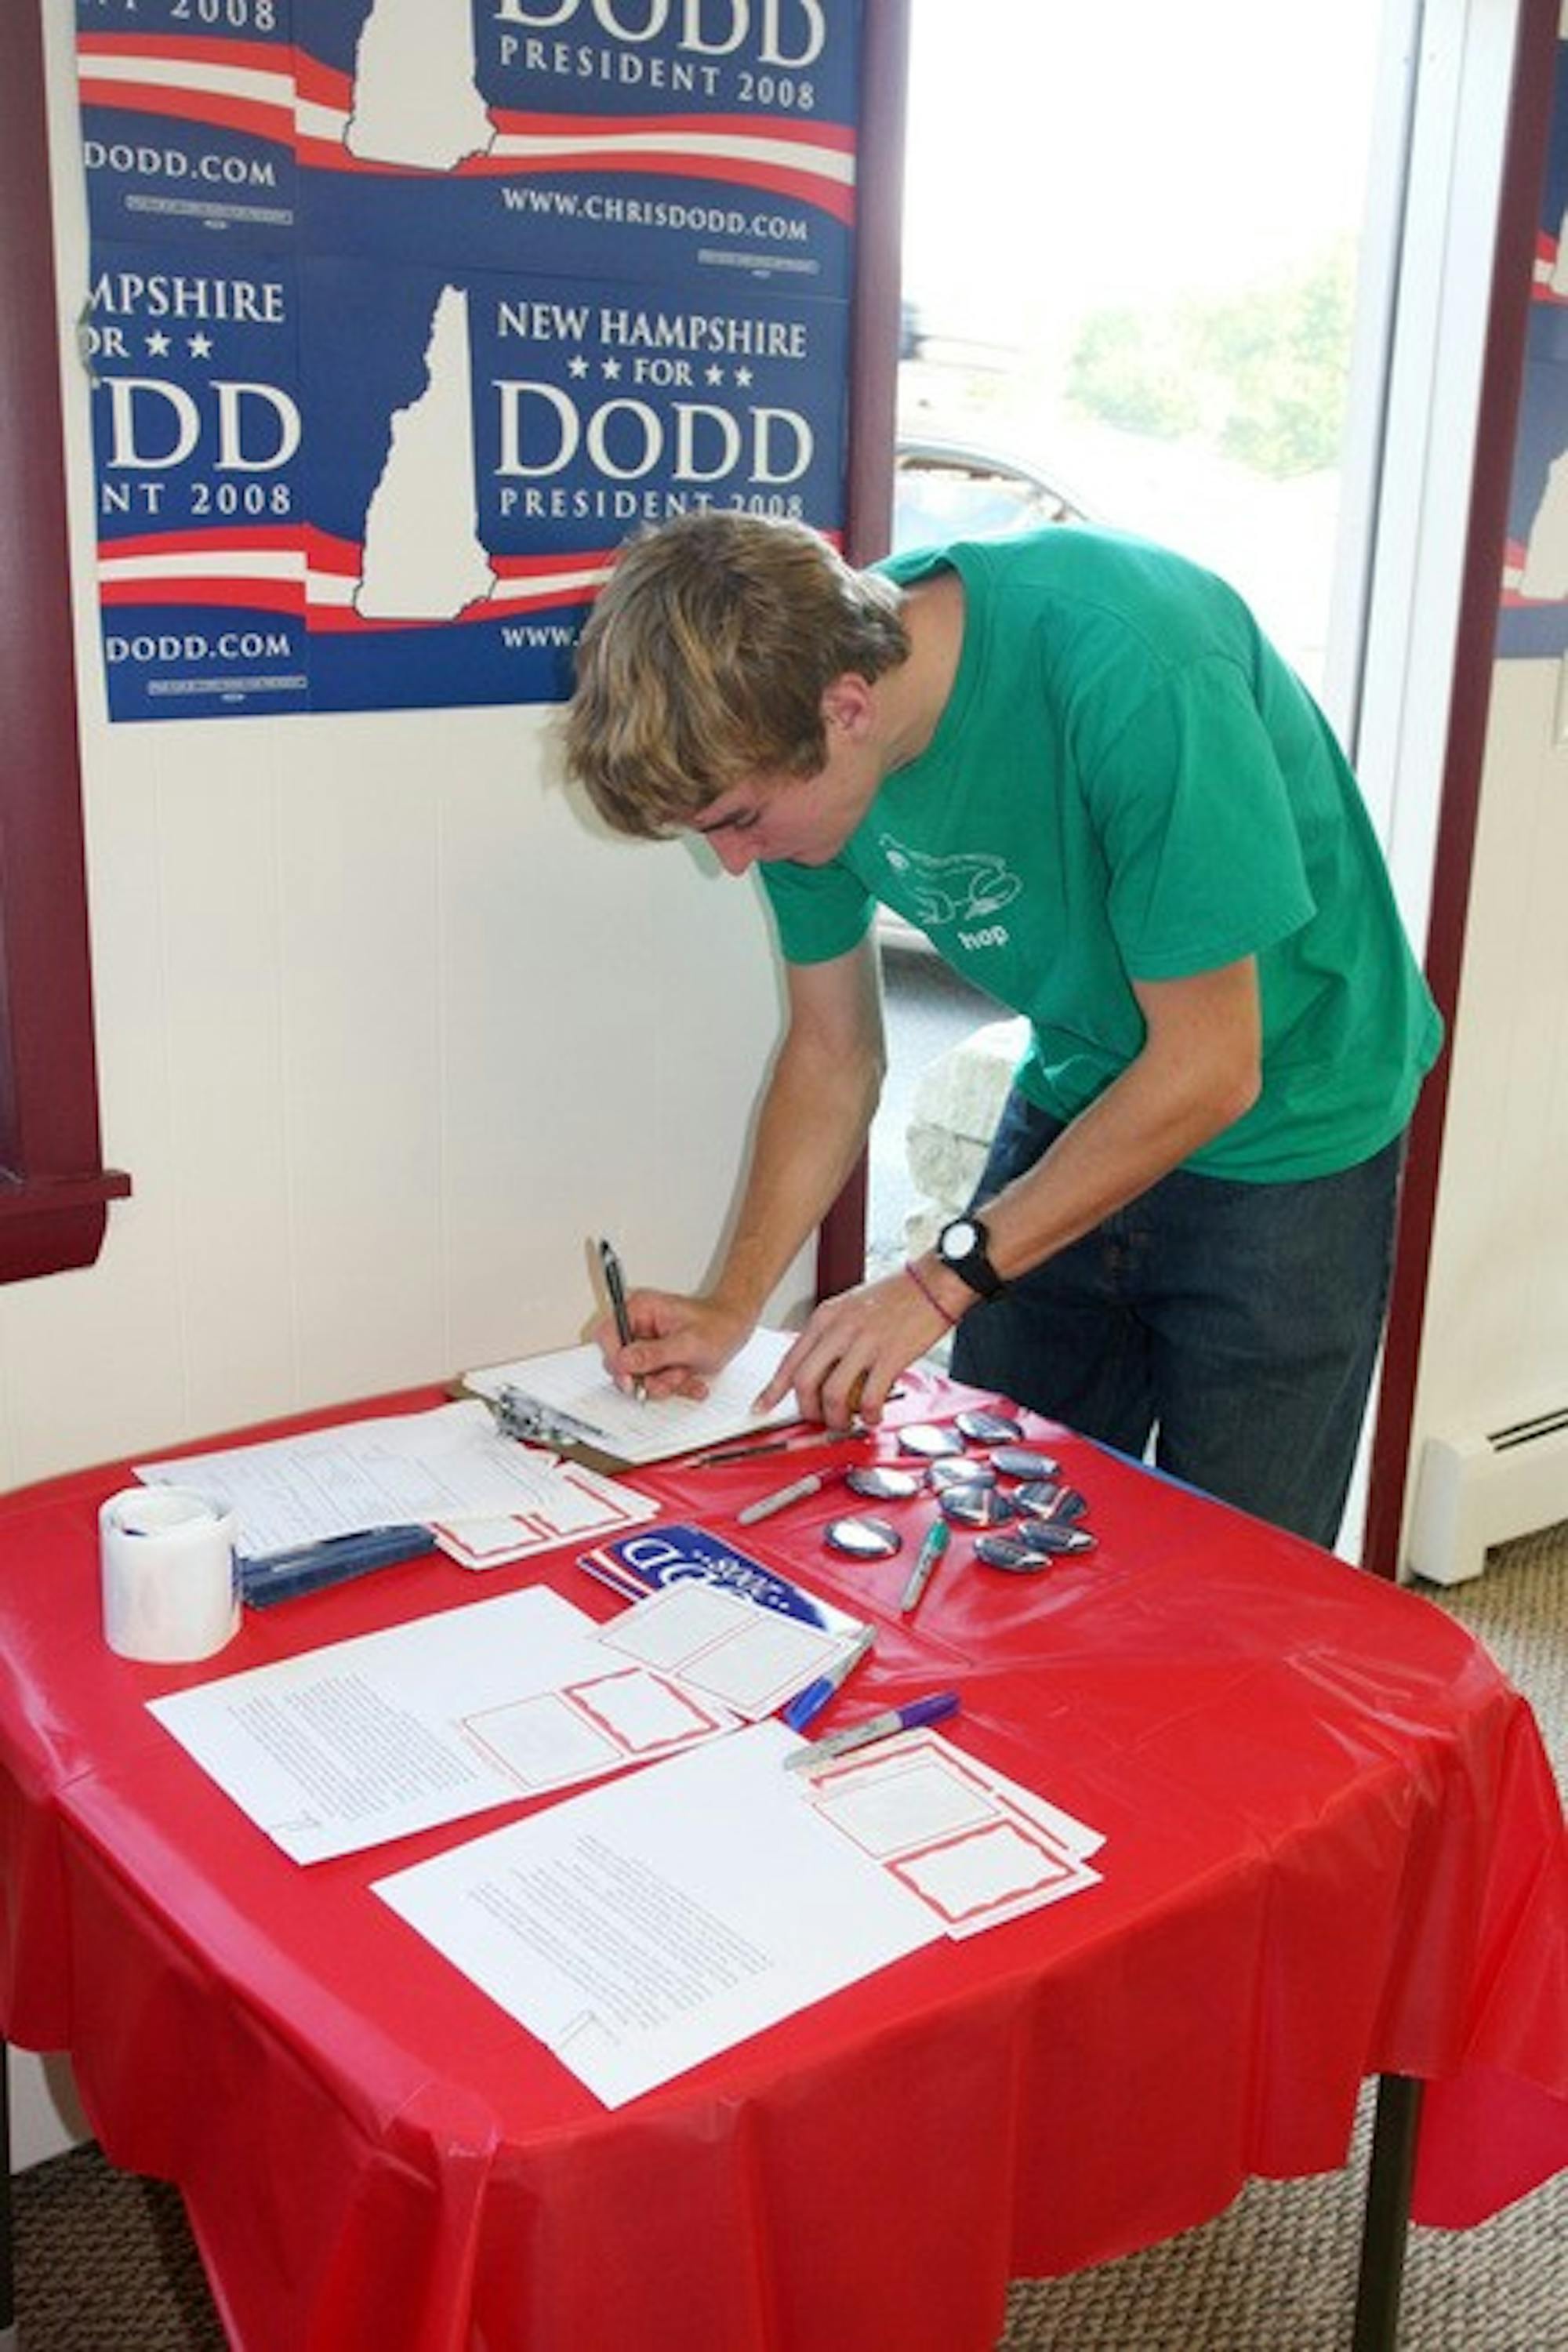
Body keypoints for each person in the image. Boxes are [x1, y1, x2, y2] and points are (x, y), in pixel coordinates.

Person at [564, 510, 1442, 1547]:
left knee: (1237, 1578)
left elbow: (1211, 1067)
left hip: (1296, 1111)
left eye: (740, 821)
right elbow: (833, 1054)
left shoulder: (1134, 664)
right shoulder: (797, 722)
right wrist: (733, 1307)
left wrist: (936, 1283)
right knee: (997, 1521)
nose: (737, 861)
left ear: (848, 709)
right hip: (1086, 1080)